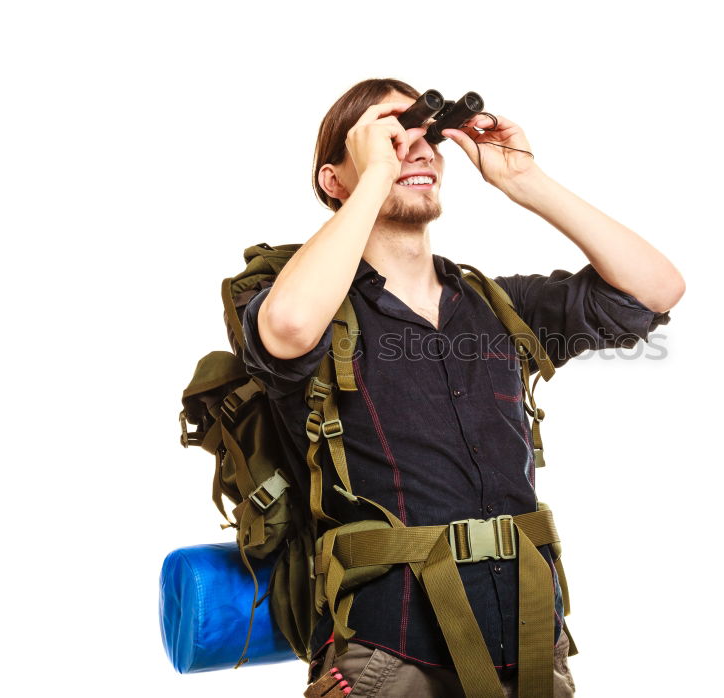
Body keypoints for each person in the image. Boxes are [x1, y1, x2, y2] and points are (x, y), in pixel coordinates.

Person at [239, 77, 685, 697]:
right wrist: (374, 179)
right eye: (386, 136)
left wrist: (524, 181)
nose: (414, 148)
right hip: (390, 658)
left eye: (423, 136)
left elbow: (654, 291)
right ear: (334, 180)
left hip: (531, 651)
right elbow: (286, 328)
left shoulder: (497, 308)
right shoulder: (310, 306)